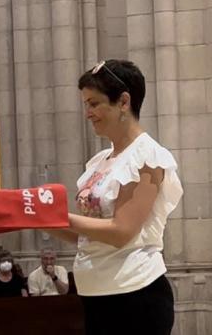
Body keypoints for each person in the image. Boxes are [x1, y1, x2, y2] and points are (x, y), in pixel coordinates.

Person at [47, 59, 183, 334]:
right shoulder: (100, 161)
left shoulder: (147, 157)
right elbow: (86, 234)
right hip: (97, 293)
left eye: (94, 103)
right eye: (86, 104)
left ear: (123, 102)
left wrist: (58, 215)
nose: (88, 113)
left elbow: (122, 231)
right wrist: (37, 218)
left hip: (135, 294)